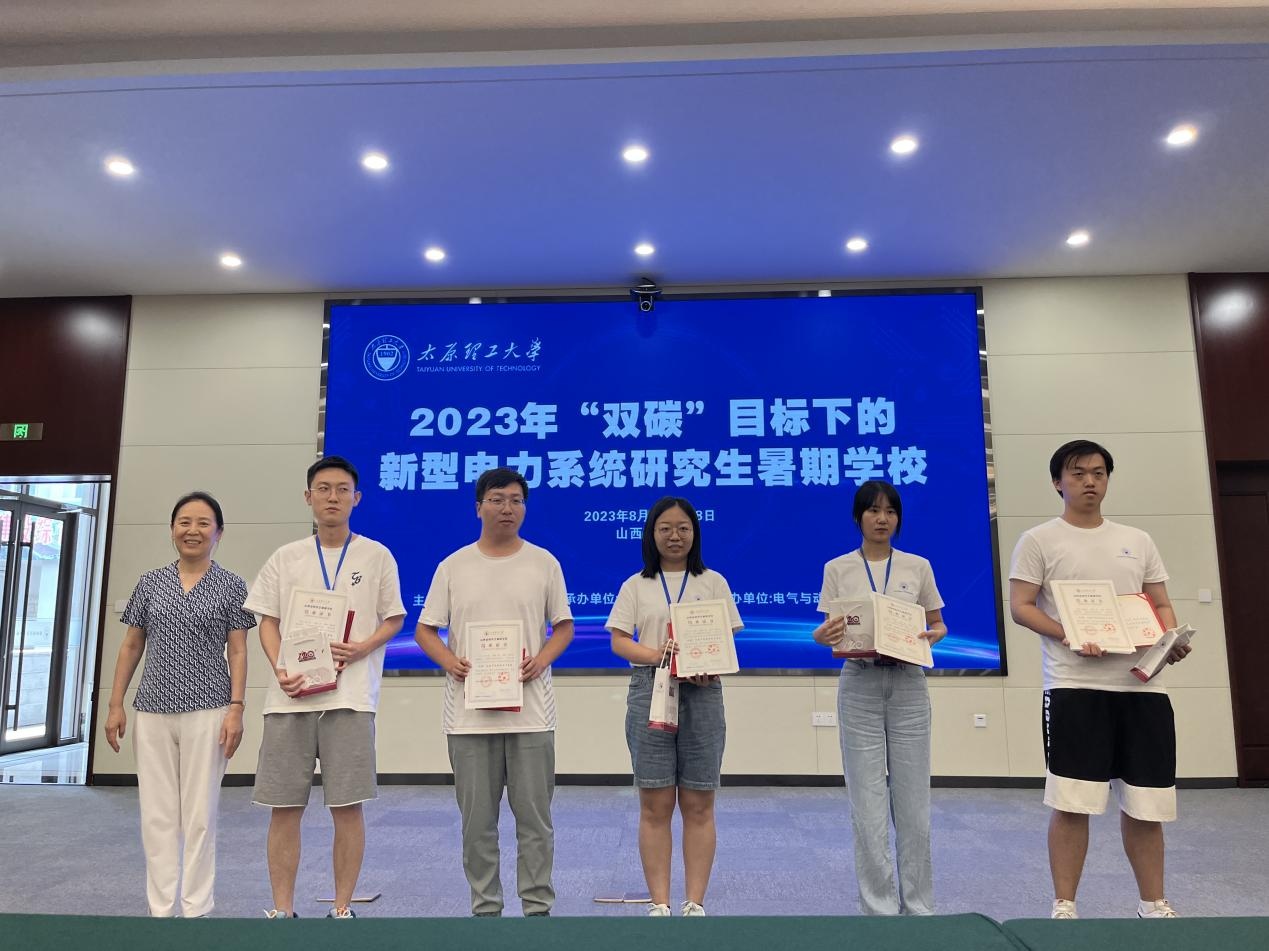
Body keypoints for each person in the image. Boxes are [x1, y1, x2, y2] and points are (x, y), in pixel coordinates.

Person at [1009, 440, 1192, 921]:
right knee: (1073, 801)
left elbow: (1159, 603)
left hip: (1142, 688)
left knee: (1147, 803)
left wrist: (1169, 639)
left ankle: (1153, 903)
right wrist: (1068, 633)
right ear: (1058, 482)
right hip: (1075, 687)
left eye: (1098, 473)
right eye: (1078, 473)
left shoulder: (1137, 540)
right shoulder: (1039, 540)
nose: (1090, 481)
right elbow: (1021, 607)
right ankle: (1065, 905)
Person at [247, 455, 405, 919]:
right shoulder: (286, 557)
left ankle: (341, 907)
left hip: (350, 701)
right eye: (323, 489)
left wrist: (361, 648)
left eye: (341, 489)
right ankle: (282, 910)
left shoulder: (376, 556)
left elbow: (394, 618)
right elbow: (267, 620)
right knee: (283, 807)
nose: (332, 497)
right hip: (289, 699)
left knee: (348, 806)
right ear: (308, 497)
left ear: (357, 498)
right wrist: (280, 666)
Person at [416, 467, 574, 917]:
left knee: (536, 822)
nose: (508, 508)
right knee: (477, 825)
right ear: (478, 507)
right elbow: (425, 630)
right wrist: (451, 661)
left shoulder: (544, 563)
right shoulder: (453, 566)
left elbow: (564, 627)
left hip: (531, 716)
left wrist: (540, 660)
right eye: (498, 499)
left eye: (517, 500)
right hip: (469, 719)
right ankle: (485, 909)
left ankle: (537, 908)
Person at [104, 491, 254, 917]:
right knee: (157, 812)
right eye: (184, 522)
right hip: (152, 709)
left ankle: (196, 907)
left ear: (219, 533)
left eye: (204, 523)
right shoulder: (150, 582)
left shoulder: (231, 585)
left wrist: (237, 707)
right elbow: (131, 645)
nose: (193, 530)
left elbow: (239, 650)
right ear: (172, 530)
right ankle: (161, 907)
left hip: (209, 708)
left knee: (200, 813)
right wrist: (115, 704)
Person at [811, 480, 946, 916]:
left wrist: (931, 635)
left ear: (898, 518)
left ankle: (919, 907)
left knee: (914, 805)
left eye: (890, 511)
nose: (882, 518)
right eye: (873, 510)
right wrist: (822, 635)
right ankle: (878, 909)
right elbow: (828, 630)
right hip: (860, 685)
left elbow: (938, 624)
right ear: (859, 517)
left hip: (908, 684)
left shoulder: (917, 566)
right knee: (867, 806)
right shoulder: (837, 568)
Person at [605, 496, 743, 917]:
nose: (675, 536)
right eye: (665, 528)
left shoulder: (713, 582)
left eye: (683, 527)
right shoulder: (636, 585)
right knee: (655, 803)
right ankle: (660, 903)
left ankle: (694, 903)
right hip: (651, 688)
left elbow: (728, 637)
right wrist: (659, 655)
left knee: (699, 802)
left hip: (703, 691)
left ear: (695, 532)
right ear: (651, 534)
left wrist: (706, 662)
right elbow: (619, 641)